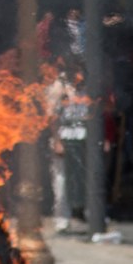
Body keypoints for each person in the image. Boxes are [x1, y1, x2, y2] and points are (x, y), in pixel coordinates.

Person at [45, 57, 92, 233]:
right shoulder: (59, 87)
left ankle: (88, 212)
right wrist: (57, 141)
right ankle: (62, 219)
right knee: (61, 181)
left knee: (87, 177)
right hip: (64, 137)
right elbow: (53, 116)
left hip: (84, 137)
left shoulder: (88, 86)